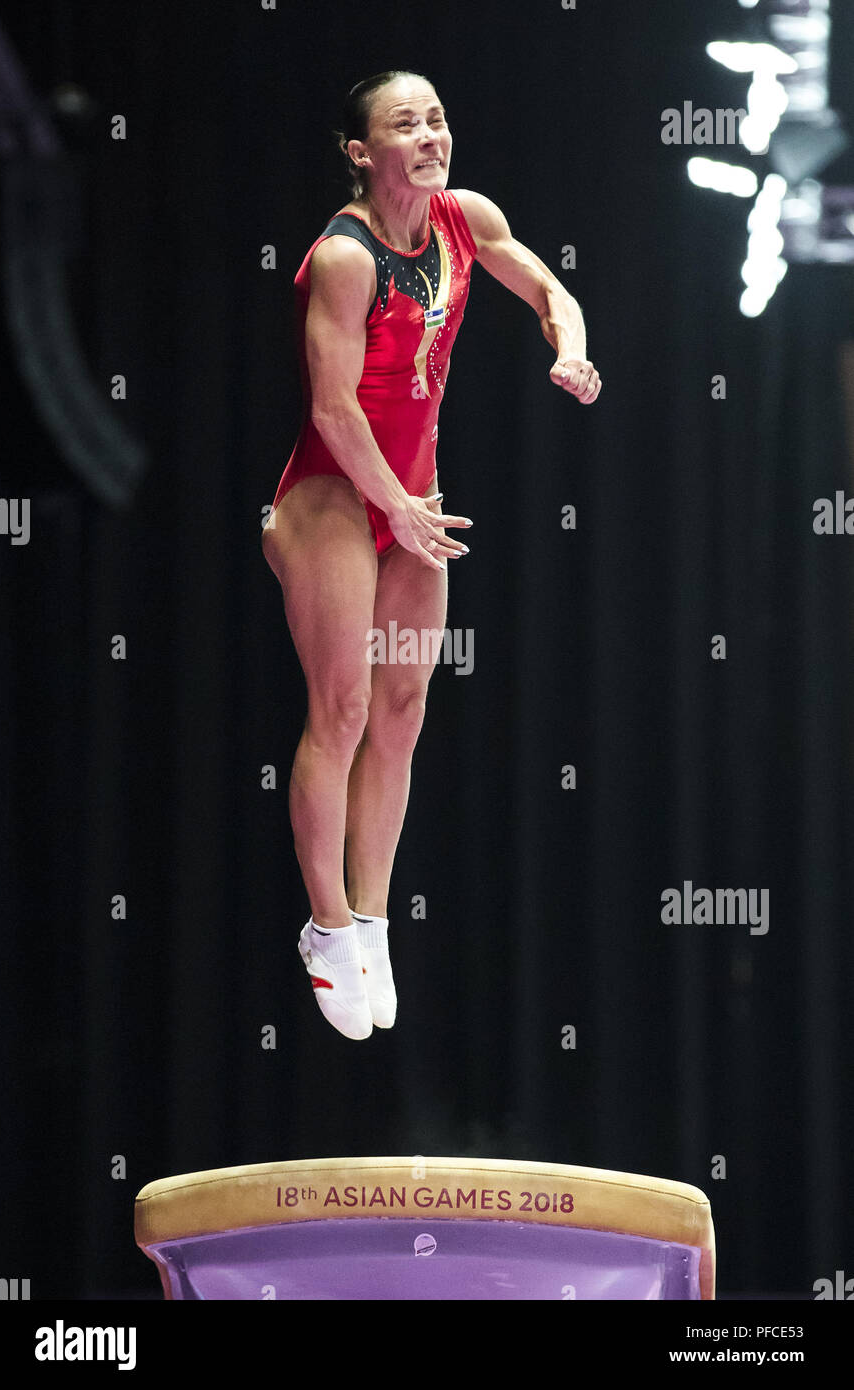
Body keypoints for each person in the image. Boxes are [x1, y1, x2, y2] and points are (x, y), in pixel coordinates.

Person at [262, 69, 601, 1041]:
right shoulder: (343, 254)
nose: (428, 135)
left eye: (437, 118)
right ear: (360, 151)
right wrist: (395, 507)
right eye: (403, 124)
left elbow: (545, 283)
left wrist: (565, 343)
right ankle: (324, 926)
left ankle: (371, 918)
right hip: (330, 495)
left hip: (412, 496)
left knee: (402, 711)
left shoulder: (462, 219)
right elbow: (331, 408)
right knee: (345, 706)